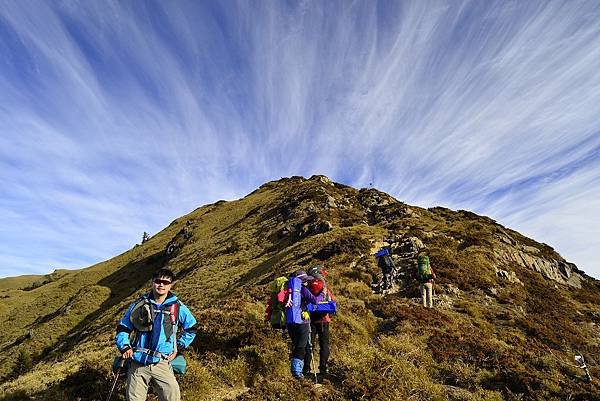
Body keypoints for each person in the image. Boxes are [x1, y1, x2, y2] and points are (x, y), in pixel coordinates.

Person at [115, 268, 197, 401]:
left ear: (170, 285)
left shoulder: (177, 307)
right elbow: (123, 328)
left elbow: (191, 328)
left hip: (162, 362)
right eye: (158, 281)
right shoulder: (139, 305)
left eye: (166, 282)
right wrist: (125, 346)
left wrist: (179, 347)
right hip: (138, 363)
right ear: (152, 282)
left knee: (172, 398)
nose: (161, 285)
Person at [285, 270, 320, 379]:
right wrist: (322, 293)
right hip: (302, 321)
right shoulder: (303, 289)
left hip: (290, 322)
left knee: (297, 345)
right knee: (301, 346)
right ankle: (297, 371)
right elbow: (315, 300)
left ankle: (297, 370)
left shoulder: (287, 291)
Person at [303, 277, 335, 378]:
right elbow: (332, 303)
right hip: (324, 321)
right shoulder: (325, 289)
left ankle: (306, 368)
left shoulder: (308, 288)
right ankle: (323, 368)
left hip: (311, 321)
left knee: (309, 344)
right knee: (324, 345)